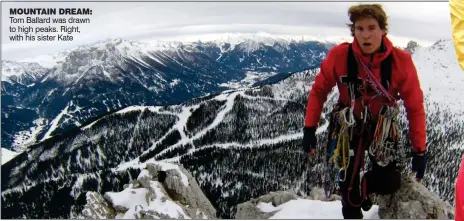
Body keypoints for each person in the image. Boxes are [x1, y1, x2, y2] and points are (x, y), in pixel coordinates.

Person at [302, 3, 427, 219]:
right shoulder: (339, 56)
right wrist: (309, 129)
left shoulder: (401, 62)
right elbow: (319, 90)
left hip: (382, 130)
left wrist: (419, 150)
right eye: (360, 29)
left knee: (388, 183)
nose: (365, 35)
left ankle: (367, 183)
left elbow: (415, 108)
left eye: (371, 28)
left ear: (382, 30)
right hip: (349, 126)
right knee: (348, 188)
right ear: (353, 31)